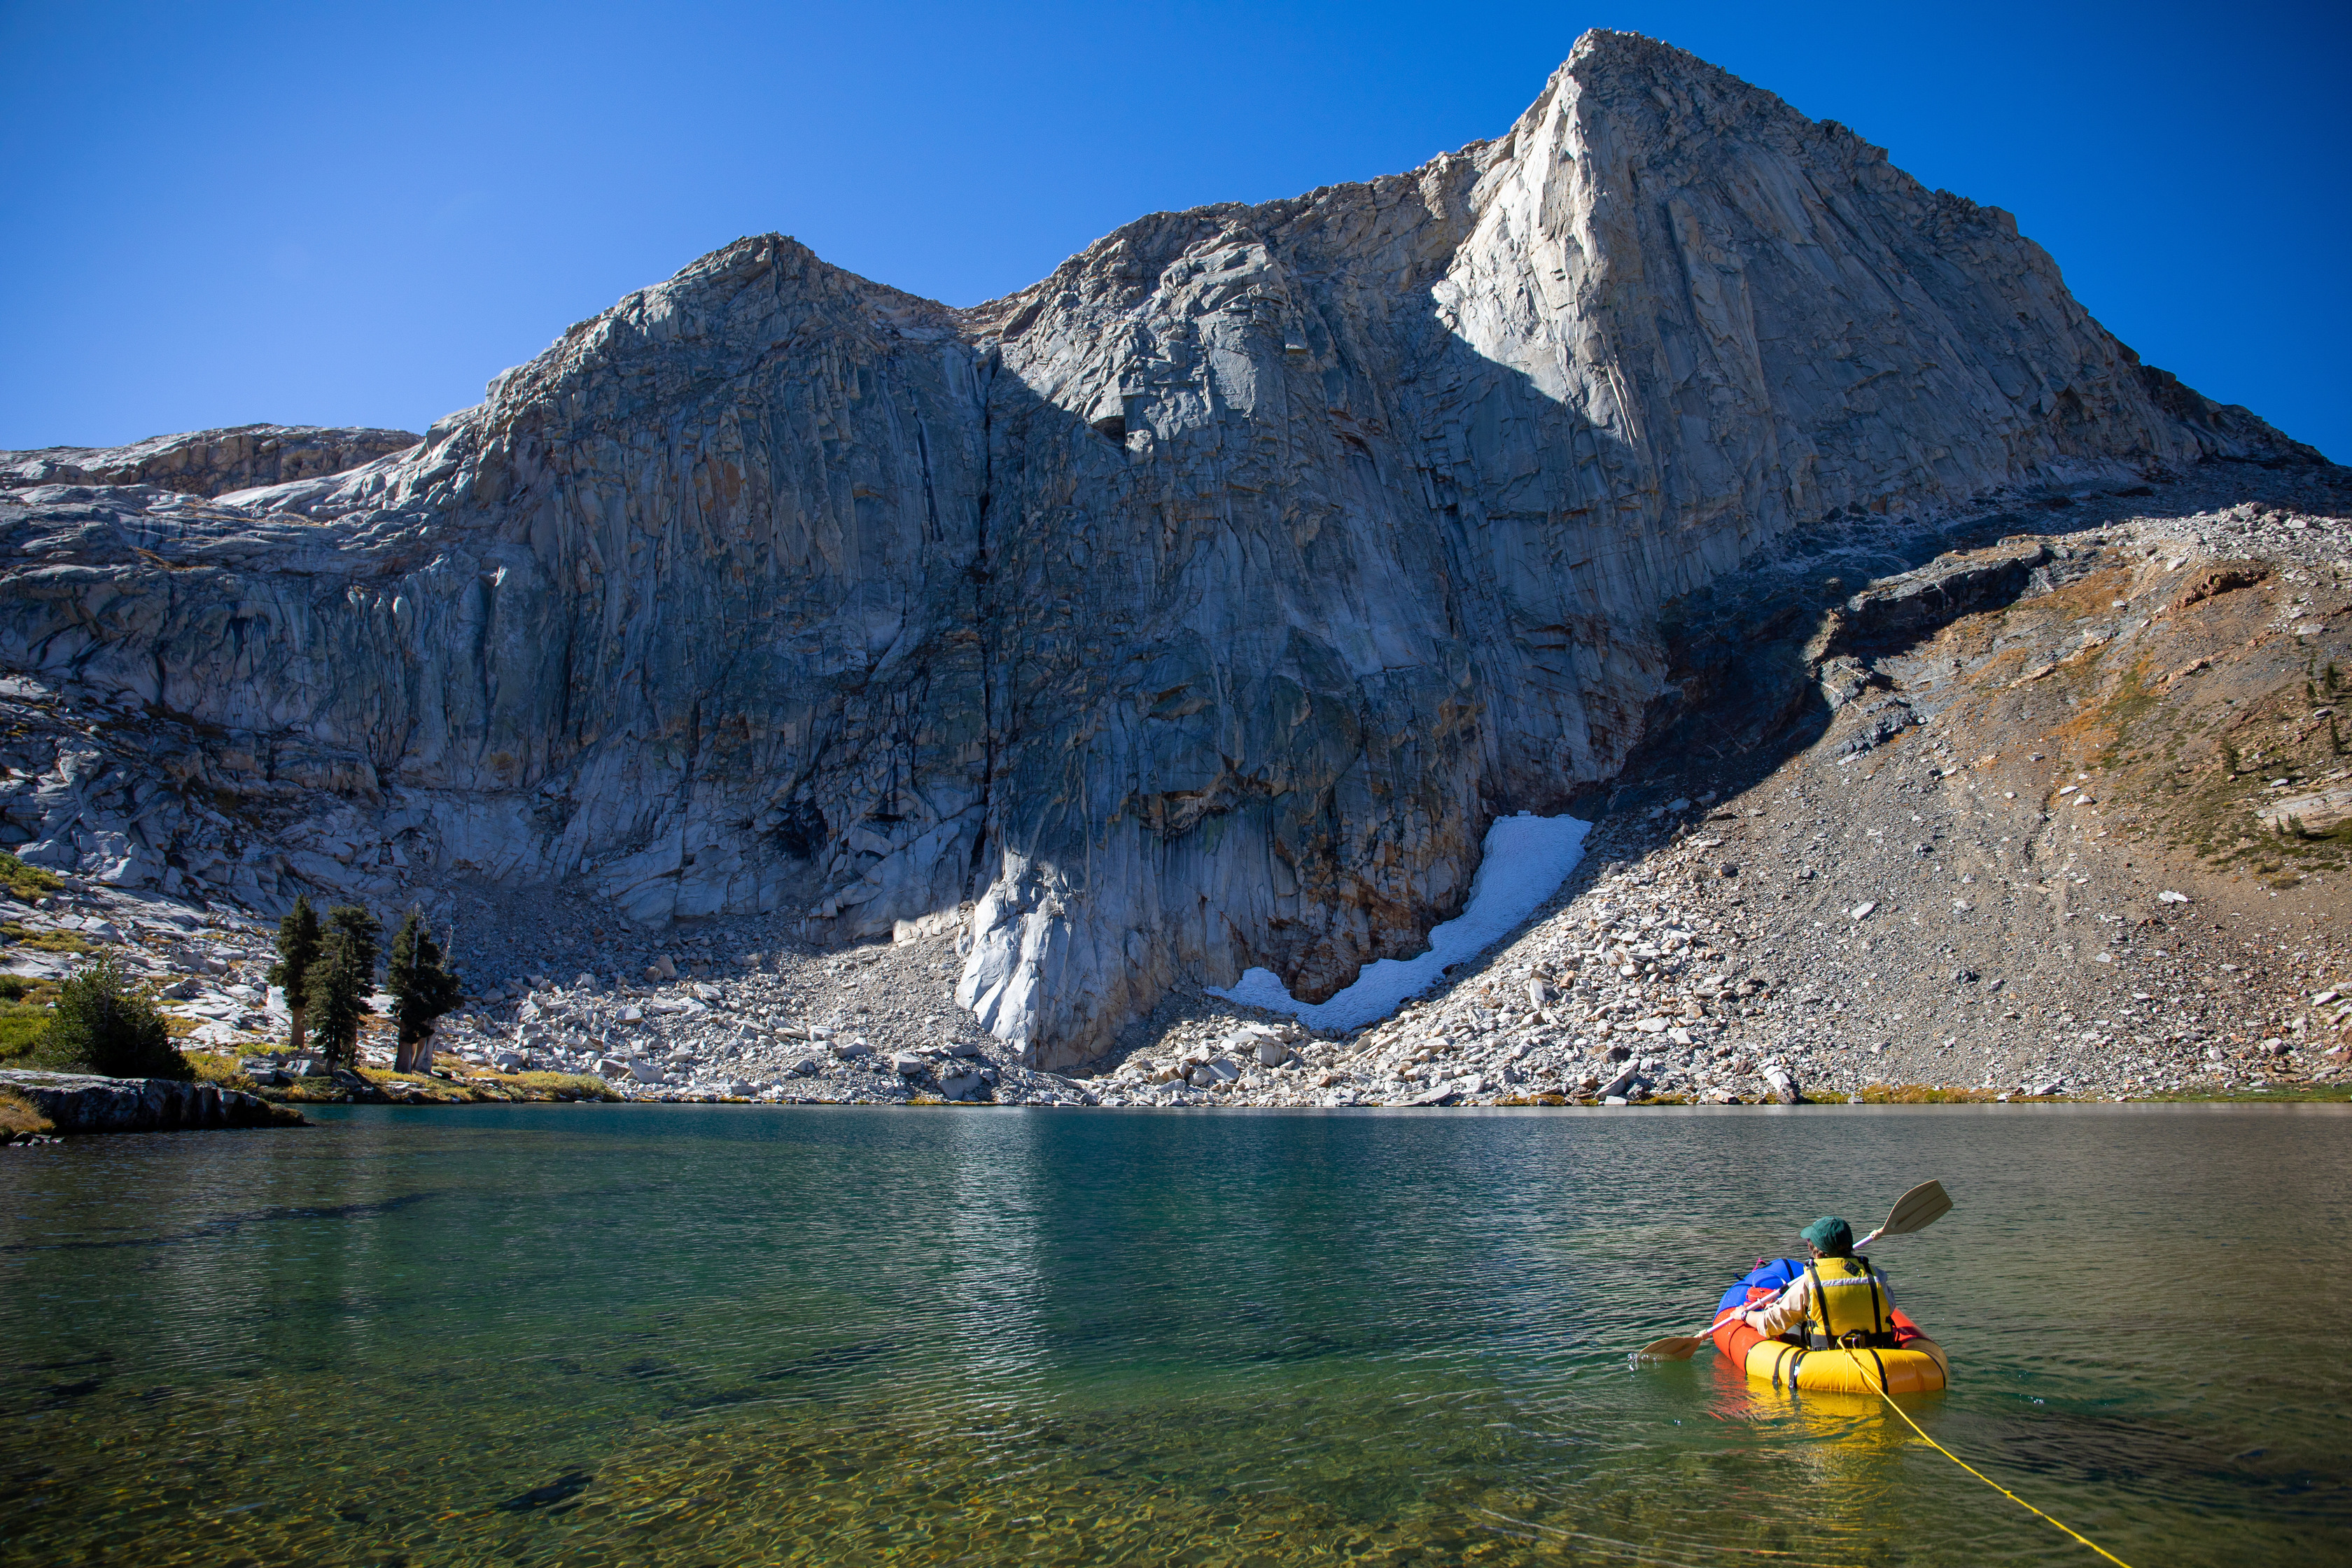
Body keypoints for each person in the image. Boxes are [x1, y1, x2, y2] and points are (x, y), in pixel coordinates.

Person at [1739, 1216, 1898, 1349]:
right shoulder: (1876, 1276)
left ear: (1815, 1249)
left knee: (1800, 1320)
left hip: (1829, 1361)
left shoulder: (1809, 1282)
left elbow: (1770, 1325)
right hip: (1878, 1353)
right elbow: (1889, 1308)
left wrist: (1745, 1314)